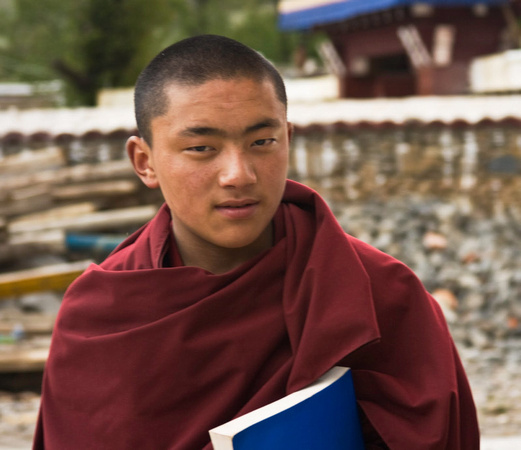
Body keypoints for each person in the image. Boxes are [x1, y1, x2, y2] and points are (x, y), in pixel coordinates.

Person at [34, 35, 479, 449]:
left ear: (288, 139)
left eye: (261, 141)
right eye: (202, 149)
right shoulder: (102, 315)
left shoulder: (382, 295)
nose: (238, 175)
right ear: (144, 162)